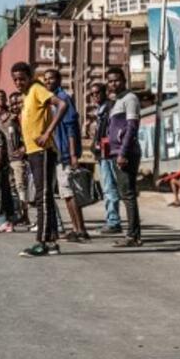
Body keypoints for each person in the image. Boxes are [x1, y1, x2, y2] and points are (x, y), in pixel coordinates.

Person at [13, 62, 69, 257]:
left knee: (42, 197)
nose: (18, 82)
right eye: (15, 80)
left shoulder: (37, 89)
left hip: (43, 151)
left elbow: (62, 104)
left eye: (22, 78)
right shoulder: (26, 95)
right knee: (45, 198)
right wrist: (23, 148)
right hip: (33, 151)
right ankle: (52, 242)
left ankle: (42, 242)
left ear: (30, 77)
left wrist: (47, 133)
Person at [44, 68, 89, 243]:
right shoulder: (51, 100)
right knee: (66, 195)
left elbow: (71, 128)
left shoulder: (63, 98)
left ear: (59, 80)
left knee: (71, 194)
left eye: (51, 78)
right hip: (59, 154)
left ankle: (81, 230)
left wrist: (72, 155)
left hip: (66, 154)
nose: (48, 82)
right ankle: (76, 228)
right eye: (46, 79)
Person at [105, 66, 143, 248]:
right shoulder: (117, 101)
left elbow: (132, 127)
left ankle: (133, 236)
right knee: (124, 194)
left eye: (116, 80)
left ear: (124, 80)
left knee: (128, 195)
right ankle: (133, 234)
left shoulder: (130, 98)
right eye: (110, 81)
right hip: (116, 153)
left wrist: (123, 153)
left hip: (126, 153)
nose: (113, 84)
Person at [90, 82, 122, 235]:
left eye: (97, 93)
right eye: (92, 94)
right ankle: (111, 219)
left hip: (108, 153)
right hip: (103, 153)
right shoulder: (101, 110)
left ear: (104, 93)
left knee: (110, 188)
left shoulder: (110, 107)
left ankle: (113, 221)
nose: (95, 96)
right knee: (107, 187)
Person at [4, 91, 31, 226]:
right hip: (10, 160)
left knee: (21, 187)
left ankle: (25, 216)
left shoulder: (24, 117)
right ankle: (19, 214)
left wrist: (23, 149)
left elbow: (30, 135)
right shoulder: (11, 119)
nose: (15, 106)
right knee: (14, 188)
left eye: (17, 103)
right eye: (12, 103)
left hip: (19, 160)